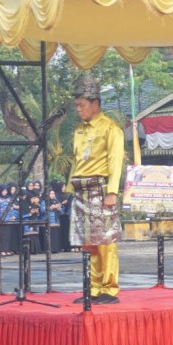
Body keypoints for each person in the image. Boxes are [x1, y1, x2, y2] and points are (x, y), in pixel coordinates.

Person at [67, 74, 124, 305]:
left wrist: (112, 191)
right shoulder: (79, 130)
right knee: (88, 243)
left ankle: (109, 289)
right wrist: (70, 184)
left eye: (81, 105)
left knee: (105, 241)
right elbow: (76, 160)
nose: (78, 110)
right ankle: (93, 287)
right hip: (81, 189)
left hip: (100, 189)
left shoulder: (111, 128)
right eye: (77, 106)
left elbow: (115, 160)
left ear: (95, 103)